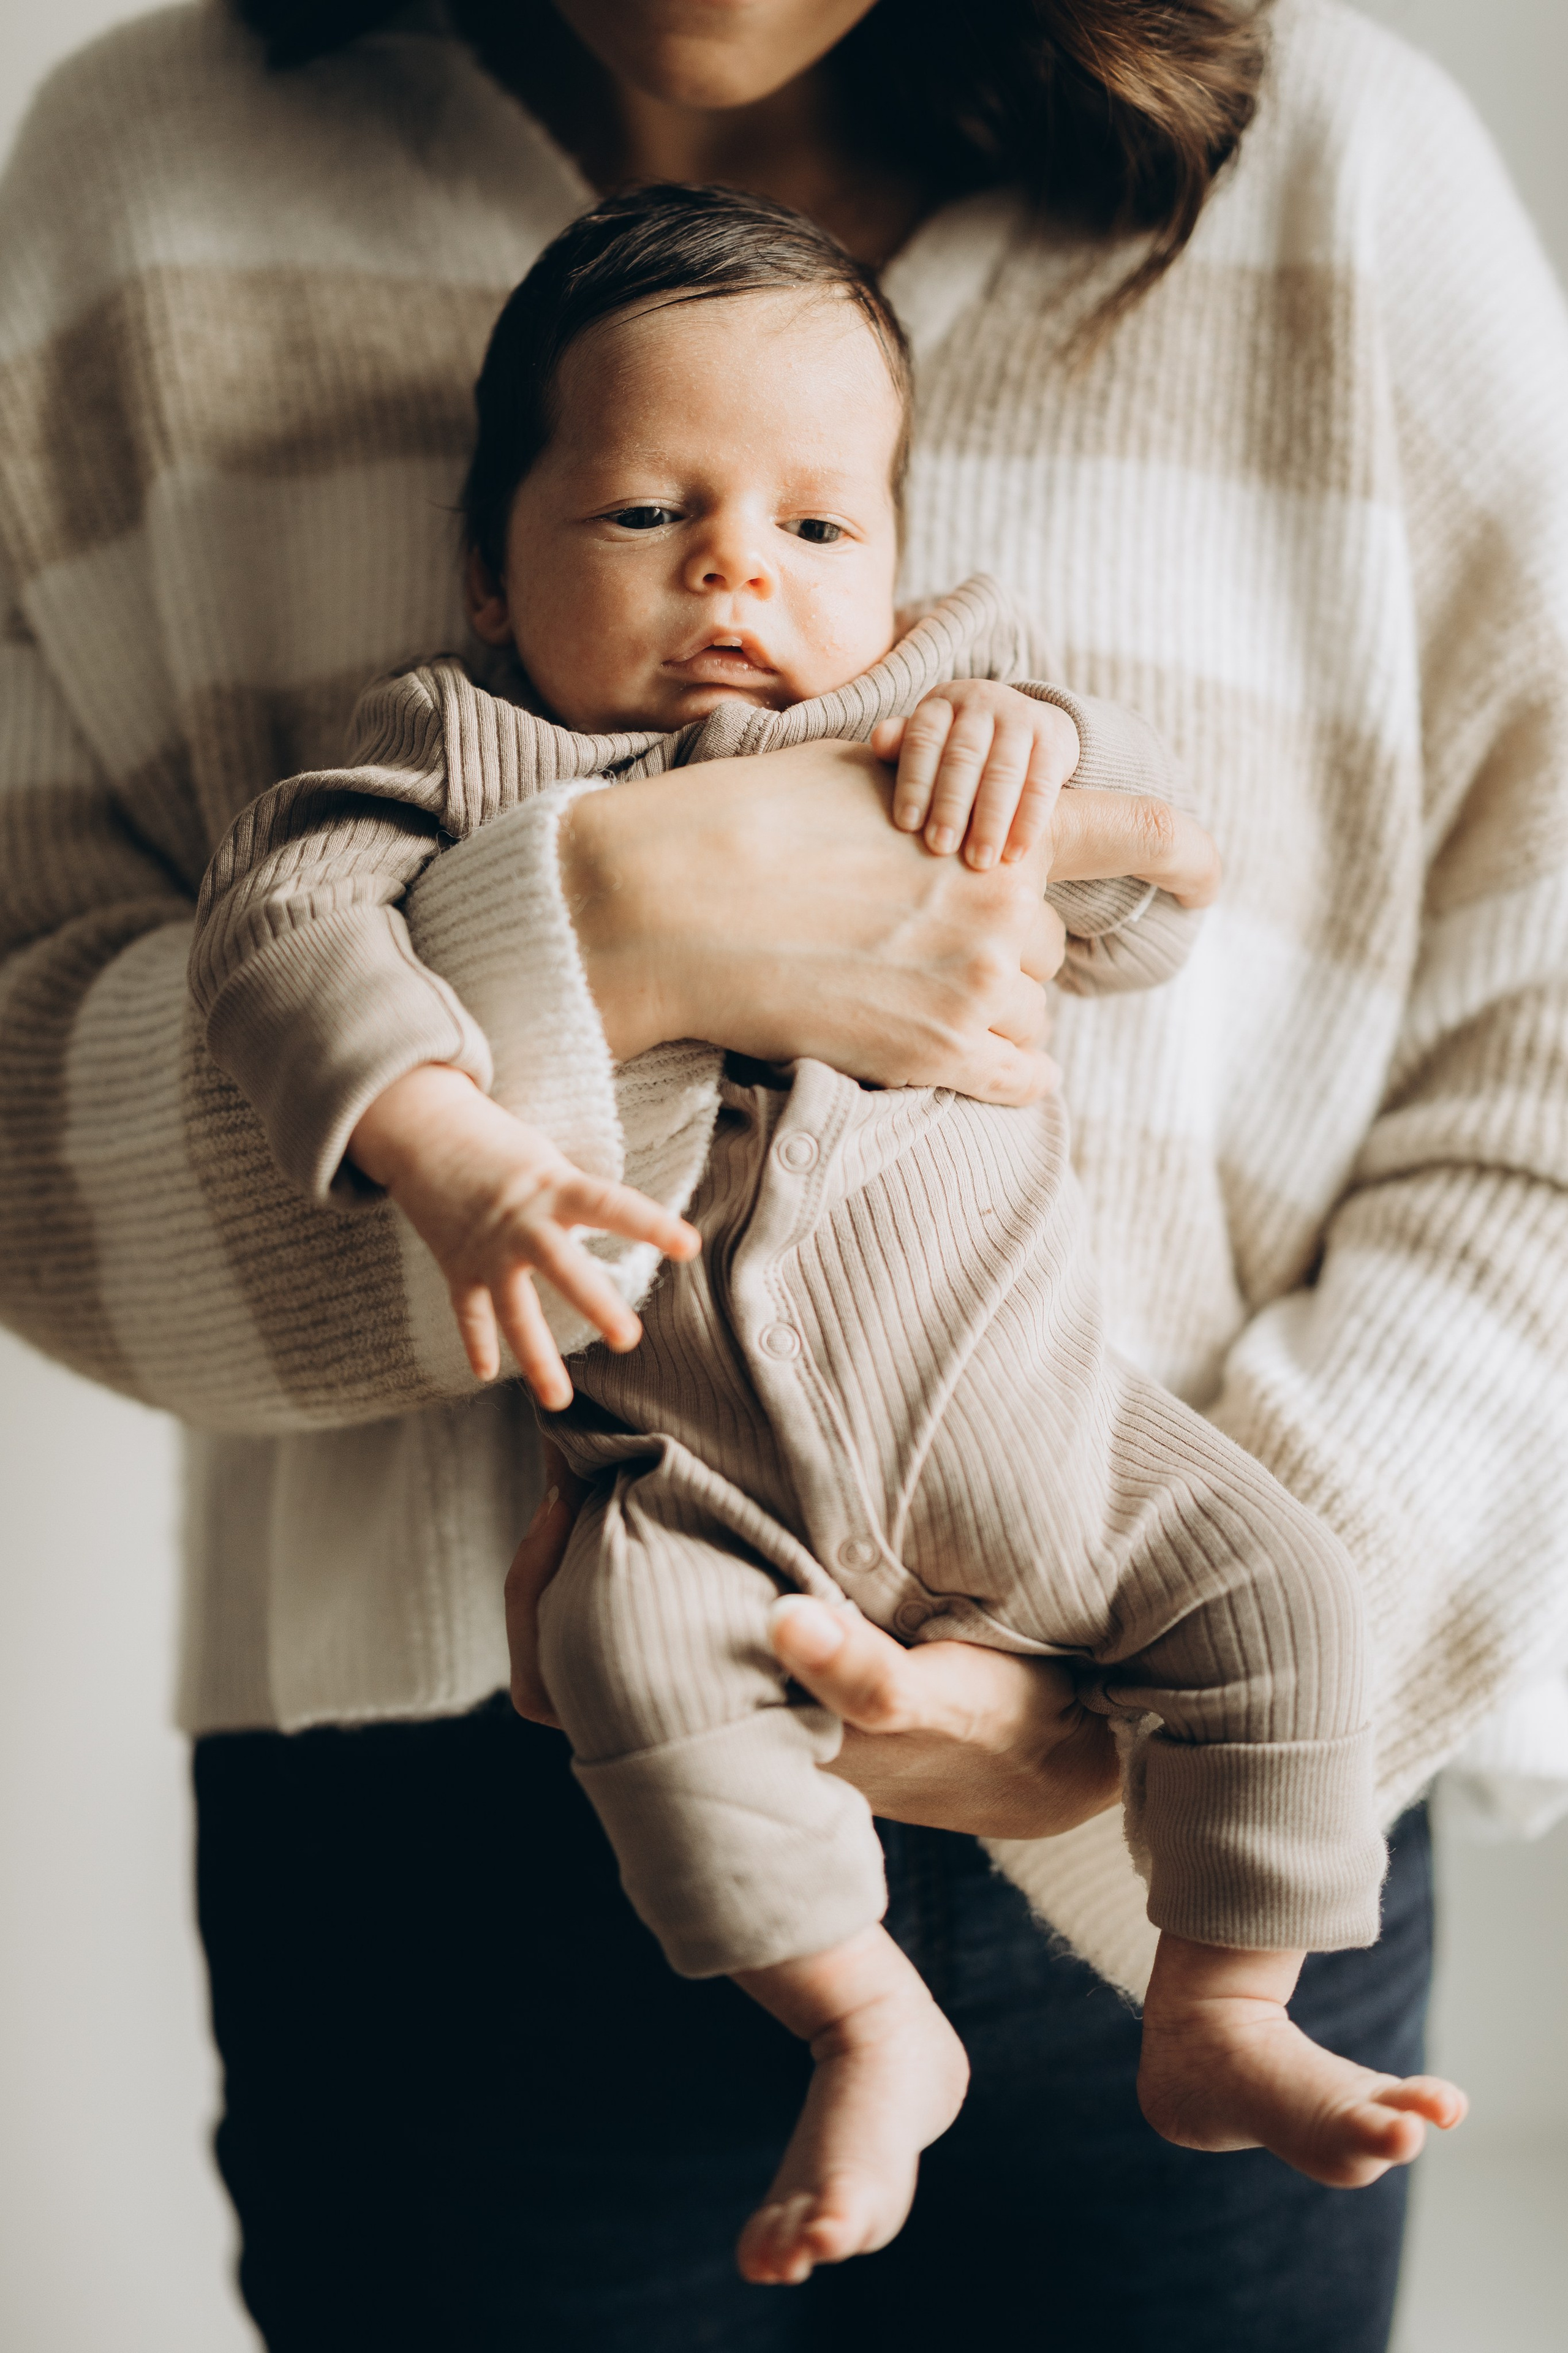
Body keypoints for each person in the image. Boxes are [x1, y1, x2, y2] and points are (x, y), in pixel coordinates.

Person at [0, 1, 1563, 2346]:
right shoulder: (146, 185)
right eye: (641, 512)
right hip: (494, 1772)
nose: (739, 574)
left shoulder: (1345, 187)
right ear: (496, 557)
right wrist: (601, 943)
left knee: (1275, 1601)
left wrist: (1131, 1732)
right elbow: (43, 1098)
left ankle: (1235, 1997)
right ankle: (859, 2014)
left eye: (823, 524)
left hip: (1183, 1719)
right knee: (643, 1637)